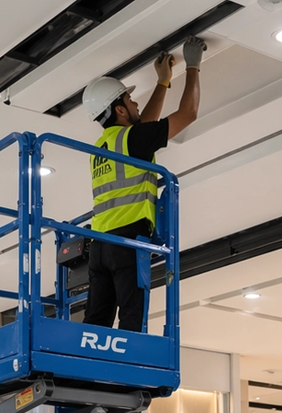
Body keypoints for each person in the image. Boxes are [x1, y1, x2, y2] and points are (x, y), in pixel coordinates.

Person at [80, 36, 205, 332]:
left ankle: (87, 375)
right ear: (120, 110)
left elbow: (144, 127)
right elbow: (188, 114)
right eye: (129, 99)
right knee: (132, 319)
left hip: (100, 246)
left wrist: (163, 83)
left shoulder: (104, 146)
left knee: (96, 322)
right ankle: (126, 378)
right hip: (126, 242)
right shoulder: (131, 141)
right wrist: (194, 66)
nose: (135, 102)